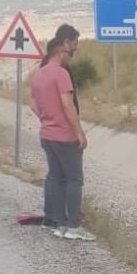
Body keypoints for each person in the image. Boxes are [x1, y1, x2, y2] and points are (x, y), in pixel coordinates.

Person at [29, 37, 95, 241]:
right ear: (61, 50)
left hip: (47, 134)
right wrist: (79, 132)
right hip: (65, 136)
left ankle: (58, 223)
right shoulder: (61, 74)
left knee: (56, 178)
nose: (71, 56)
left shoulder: (38, 74)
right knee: (74, 180)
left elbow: (32, 103)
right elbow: (68, 105)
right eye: (70, 52)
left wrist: (47, 118)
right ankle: (73, 226)